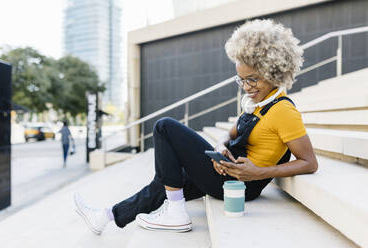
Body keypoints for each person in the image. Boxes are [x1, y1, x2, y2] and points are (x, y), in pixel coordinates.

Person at [73, 19, 318, 235]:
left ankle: (176, 213)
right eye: (241, 80)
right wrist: (221, 147)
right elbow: (230, 134)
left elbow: (309, 163)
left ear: (273, 70)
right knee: (167, 183)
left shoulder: (283, 111)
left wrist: (257, 173)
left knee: (164, 127)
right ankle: (105, 217)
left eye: (253, 79)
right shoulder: (255, 104)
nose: (246, 87)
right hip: (227, 172)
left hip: (241, 185)